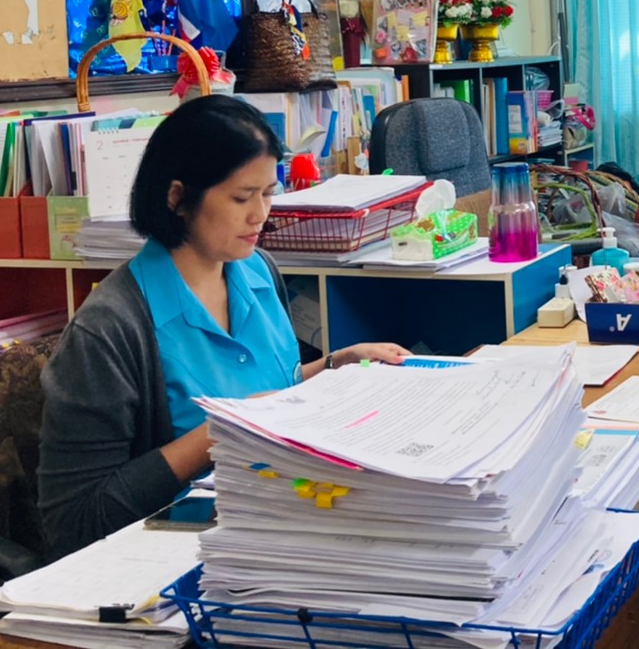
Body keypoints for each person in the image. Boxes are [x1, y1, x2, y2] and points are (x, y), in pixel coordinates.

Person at [38, 96, 409, 557]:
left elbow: (269, 389)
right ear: (177, 197)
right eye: (241, 197)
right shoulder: (111, 328)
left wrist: (335, 366)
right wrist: (227, 428)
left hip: (279, 520)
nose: (260, 214)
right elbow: (74, 523)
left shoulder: (256, 269)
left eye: (268, 193)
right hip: (176, 554)